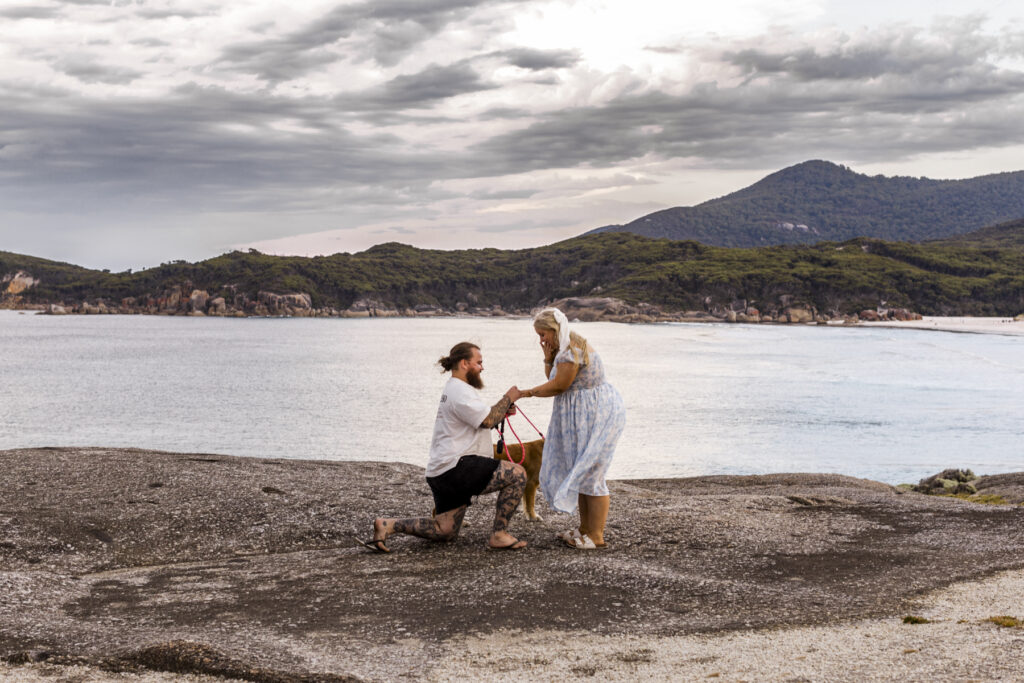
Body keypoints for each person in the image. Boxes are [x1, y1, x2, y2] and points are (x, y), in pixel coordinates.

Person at [361, 342, 528, 552]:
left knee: (444, 530)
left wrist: (502, 412)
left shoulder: (455, 389)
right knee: (517, 475)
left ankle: (388, 525)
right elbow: (486, 420)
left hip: (441, 472)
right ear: (464, 363)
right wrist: (508, 398)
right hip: (458, 467)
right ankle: (499, 534)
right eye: (479, 362)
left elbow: (482, 419)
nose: (482, 367)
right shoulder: (460, 391)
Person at [517, 308, 625, 549]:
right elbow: (553, 377)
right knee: (583, 472)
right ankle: (585, 530)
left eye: (543, 334)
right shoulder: (563, 348)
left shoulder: (571, 350)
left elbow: (559, 386)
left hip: (595, 414)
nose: (541, 339)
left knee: (593, 473)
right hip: (582, 414)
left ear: (555, 330)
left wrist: (526, 393)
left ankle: (596, 536)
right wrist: (547, 357)